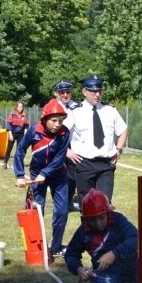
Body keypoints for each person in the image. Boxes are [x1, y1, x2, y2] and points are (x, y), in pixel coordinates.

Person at [64, 188, 138, 283]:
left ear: (109, 213)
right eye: (92, 220)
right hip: (106, 273)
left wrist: (114, 253)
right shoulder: (83, 232)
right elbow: (71, 254)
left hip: (131, 267)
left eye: (101, 218)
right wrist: (78, 268)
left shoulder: (119, 220)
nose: (98, 223)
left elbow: (135, 237)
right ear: (86, 219)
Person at [13, 99, 71, 258]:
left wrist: (45, 173)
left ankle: (56, 246)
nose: (57, 124)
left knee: (61, 212)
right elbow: (20, 152)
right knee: (37, 210)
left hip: (59, 175)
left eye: (60, 120)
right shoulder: (33, 131)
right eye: (54, 120)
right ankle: (37, 247)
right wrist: (19, 174)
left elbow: (59, 159)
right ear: (44, 119)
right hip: (36, 173)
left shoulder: (65, 133)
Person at [69, 75, 129, 205]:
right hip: (84, 164)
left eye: (99, 91)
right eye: (93, 91)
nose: (97, 95)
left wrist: (118, 150)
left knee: (105, 205)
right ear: (84, 91)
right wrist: (66, 151)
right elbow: (60, 134)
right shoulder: (74, 111)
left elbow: (123, 130)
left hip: (106, 165)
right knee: (86, 206)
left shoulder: (110, 111)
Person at [53, 80, 83, 212]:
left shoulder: (78, 106)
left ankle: (69, 201)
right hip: (56, 144)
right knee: (56, 174)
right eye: (62, 92)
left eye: (68, 92)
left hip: (73, 145)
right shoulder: (52, 106)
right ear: (57, 94)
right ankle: (60, 202)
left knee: (73, 176)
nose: (65, 95)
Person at [4, 101, 29, 169]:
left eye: (21, 107)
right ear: (16, 107)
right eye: (19, 107)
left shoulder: (24, 116)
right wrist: (10, 135)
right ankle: (5, 163)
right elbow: (9, 125)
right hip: (12, 133)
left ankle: (18, 164)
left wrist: (25, 133)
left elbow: (26, 126)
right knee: (9, 149)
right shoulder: (12, 115)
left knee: (19, 150)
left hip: (20, 134)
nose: (20, 108)